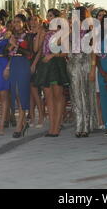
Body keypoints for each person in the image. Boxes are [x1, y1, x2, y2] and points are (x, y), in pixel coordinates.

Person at [34, 8, 69, 137]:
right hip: (45, 66)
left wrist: (52, 55)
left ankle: (57, 126)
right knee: (48, 97)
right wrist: (39, 34)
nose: (49, 18)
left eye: (52, 16)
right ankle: (52, 126)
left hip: (56, 65)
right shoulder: (46, 32)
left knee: (58, 96)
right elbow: (36, 49)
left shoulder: (62, 33)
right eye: (48, 16)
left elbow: (65, 52)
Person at [67, 6, 98, 138]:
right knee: (75, 94)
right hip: (73, 63)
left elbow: (94, 51)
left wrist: (92, 69)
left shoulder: (90, 30)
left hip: (86, 61)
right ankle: (78, 125)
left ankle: (87, 125)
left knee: (85, 93)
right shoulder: (70, 30)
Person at [6, 14, 33, 138]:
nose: (16, 24)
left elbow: (30, 53)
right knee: (15, 94)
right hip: (14, 64)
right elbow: (7, 52)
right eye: (14, 22)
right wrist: (7, 67)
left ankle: (20, 124)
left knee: (22, 92)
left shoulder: (28, 35)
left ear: (23, 22)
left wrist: (16, 44)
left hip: (23, 64)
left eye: (18, 22)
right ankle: (22, 121)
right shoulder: (12, 36)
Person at [28, 15, 45, 128]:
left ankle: (41, 118)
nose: (33, 22)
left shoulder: (42, 32)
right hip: (27, 62)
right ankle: (32, 117)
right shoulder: (27, 33)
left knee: (36, 92)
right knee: (30, 93)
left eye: (35, 20)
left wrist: (34, 64)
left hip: (37, 63)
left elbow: (39, 50)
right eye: (31, 20)